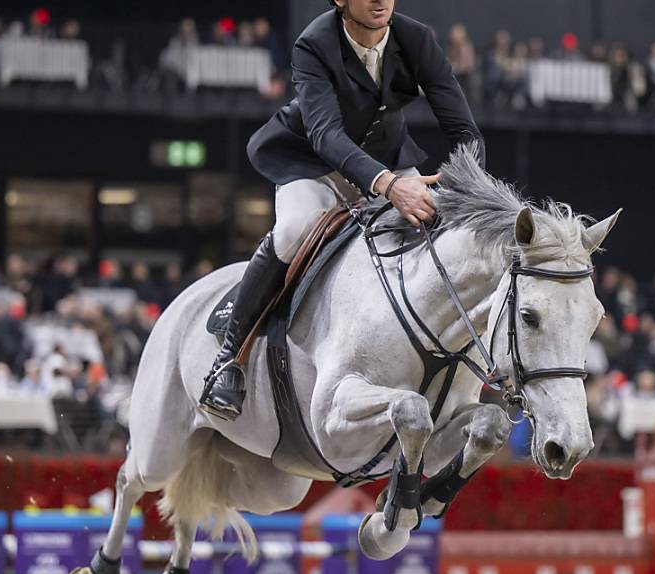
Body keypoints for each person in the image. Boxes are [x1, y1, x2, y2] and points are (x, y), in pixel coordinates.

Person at [200, 0, 485, 420]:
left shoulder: (416, 39)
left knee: (444, 229)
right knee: (296, 227)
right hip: (314, 161)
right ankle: (229, 359)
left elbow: (464, 131)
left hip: (387, 161)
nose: (379, 0)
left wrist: (467, 187)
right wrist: (390, 186)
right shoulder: (313, 44)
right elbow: (326, 134)